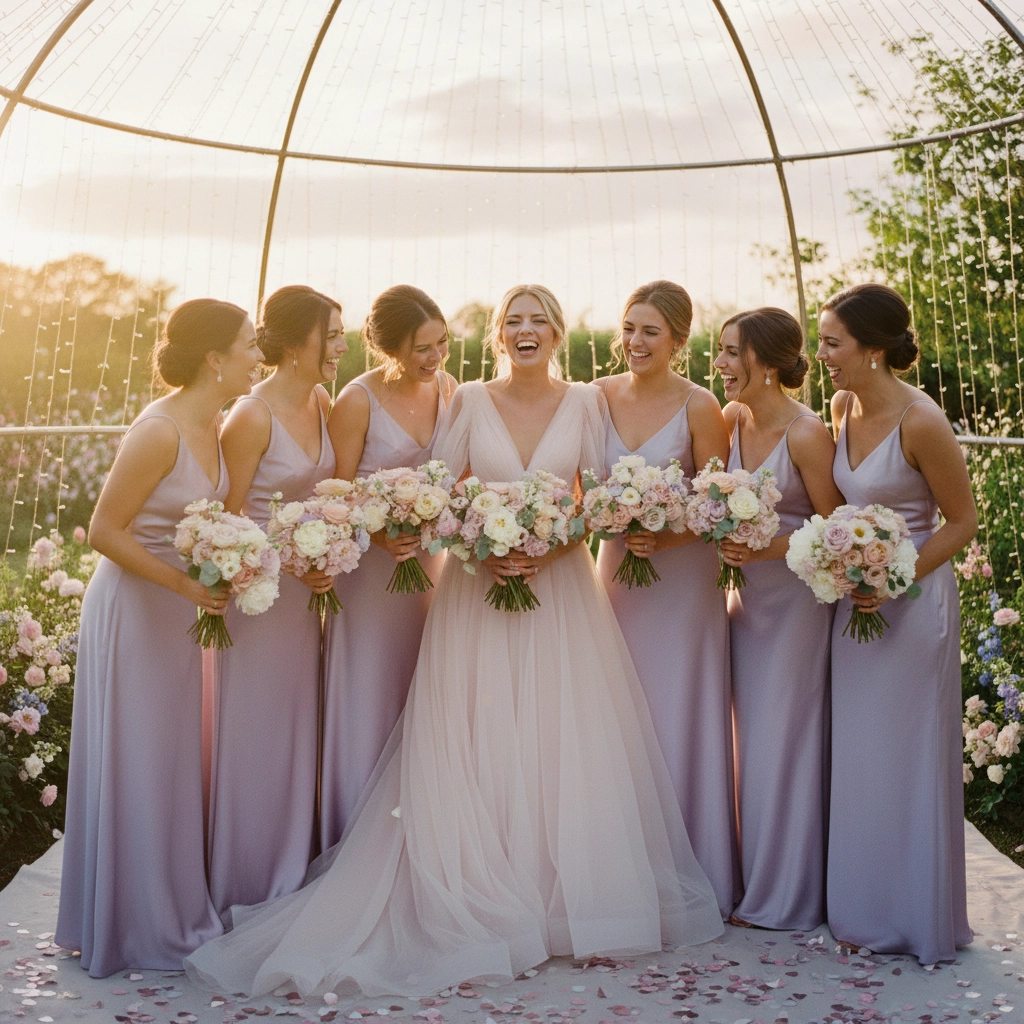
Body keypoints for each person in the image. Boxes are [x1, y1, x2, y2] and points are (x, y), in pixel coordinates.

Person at [184, 284, 722, 999]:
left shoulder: (587, 401)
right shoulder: (466, 399)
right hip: (474, 589)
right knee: (479, 729)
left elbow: (590, 502)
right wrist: (488, 547)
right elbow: (446, 493)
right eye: (513, 321)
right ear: (498, 334)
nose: (525, 330)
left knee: (561, 736)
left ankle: (564, 896)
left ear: (559, 333)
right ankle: (476, 882)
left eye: (539, 320)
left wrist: (547, 551)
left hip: (562, 591)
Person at [56, 299, 262, 976]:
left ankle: (168, 904)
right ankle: (132, 921)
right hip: (135, 610)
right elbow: (105, 530)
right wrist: (183, 586)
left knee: (170, 762)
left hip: (179, 610)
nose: (257, 357)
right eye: (250, 346)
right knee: (139, 759)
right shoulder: (160, 430)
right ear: (215, 357)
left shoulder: (218, 421)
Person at [817, 282, 976, 962]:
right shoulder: (841, 406)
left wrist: (894, 574)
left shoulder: (923, 421)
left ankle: (916, 916)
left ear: (873, 349)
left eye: (832, 343)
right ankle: (861, 907)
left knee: (907, 757)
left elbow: (963, 521)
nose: (821, 355)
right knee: (860, 755)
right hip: (855, 607)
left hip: (913, 609)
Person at [593, 280, 739, 918]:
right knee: (616, 713)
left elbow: (720, 508)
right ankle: (619, 867)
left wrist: (666, 534)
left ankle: (694, 867)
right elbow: (578, 489)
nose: (635, 342)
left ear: (679, 340)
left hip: (682, 582)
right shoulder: (595, 398)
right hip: (618, 575)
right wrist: (611, 524)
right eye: (628, 328)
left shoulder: (700, 405)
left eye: (650, 331)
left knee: (678, 711)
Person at [206, 285, 344, 917]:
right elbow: (225, 525)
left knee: (299, 732)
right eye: (332, 335)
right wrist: (291, 558)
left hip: (305, 601)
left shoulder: (320, 399)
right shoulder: (250, 416)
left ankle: (295, 871)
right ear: (296, 344)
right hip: (258, 603)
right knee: (258, 735)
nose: (342, 346)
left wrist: (326, 551)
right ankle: (248, 881)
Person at [714, 307, 844, 930]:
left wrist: (763, 546)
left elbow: (833, 530)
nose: (721, 365)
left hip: (795, 606)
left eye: (732, 353)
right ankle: (750, 877)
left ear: (765, 362)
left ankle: (784, 896)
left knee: (783, 745)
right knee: (749, 744)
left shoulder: (807, 433)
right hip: (744, 603)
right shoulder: (732, 420)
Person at [320, 284, 456, 848]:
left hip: (431, 569)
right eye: (422, 348)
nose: (435, 358)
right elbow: (334, 493)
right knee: (371, 691)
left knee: (426, 691)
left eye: (442, 343)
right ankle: (357, 836)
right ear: (390, 348)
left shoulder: (448, 389)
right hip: (374, 576)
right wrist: (379, 536)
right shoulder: (357, 399)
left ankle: (423, 828)